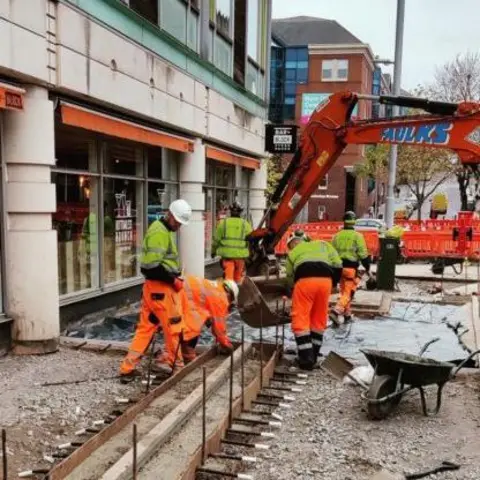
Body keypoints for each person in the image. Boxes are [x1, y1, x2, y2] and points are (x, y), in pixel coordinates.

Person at [119, 199, 192, 383]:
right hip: (162, 291)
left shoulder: (162, 231)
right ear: (171, 215)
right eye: (179, 223)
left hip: (153, 290)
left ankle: (127, 368)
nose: (179, 227)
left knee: (145, 329)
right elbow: (150, 267)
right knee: (173, 328)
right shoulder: (159, 232)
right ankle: (177, 367)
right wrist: (173, 280)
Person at [285, 230, 342, 370]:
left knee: (301, 318)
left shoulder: (293, 253)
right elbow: (338, 264)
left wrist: (291, 291)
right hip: (325, 283)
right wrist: (333, 283)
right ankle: (314, 355)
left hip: (305, 282)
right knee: (318, 318)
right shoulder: (323, 245)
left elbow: (289, 277)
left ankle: (306, 360)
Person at [180, 276, 238, 364]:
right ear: (230, 294)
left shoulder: (215, 287)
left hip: (177, 288)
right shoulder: (221, 298)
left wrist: (208, 317)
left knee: (183, 325)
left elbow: (201, 301)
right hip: (180, 295)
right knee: (193, 326)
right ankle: (187, 356)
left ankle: (182, 355)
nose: (228, 303)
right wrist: (226, 344)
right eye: (230, 300)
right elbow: (219, 329)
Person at [330, 211, 371, 325]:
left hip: (338, 269)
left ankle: (347, 315)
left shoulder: (336, 236)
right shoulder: (357, 236)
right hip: (350, 269)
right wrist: (367, 267)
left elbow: (331, 253)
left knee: (344, 293)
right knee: (348, 294)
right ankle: (336, 311)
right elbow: (363, 254)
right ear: (354, 222)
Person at [212, 201, 252, 284]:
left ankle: (228, 294)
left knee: (228, 280)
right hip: (240, 257)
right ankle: (237, 293)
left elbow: (216, 240)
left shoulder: (223, 223)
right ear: (240, 212)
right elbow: (251, 239)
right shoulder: (245, 224)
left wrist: (213, 252)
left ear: (230, 211)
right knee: (238, 280)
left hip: (227, 257)